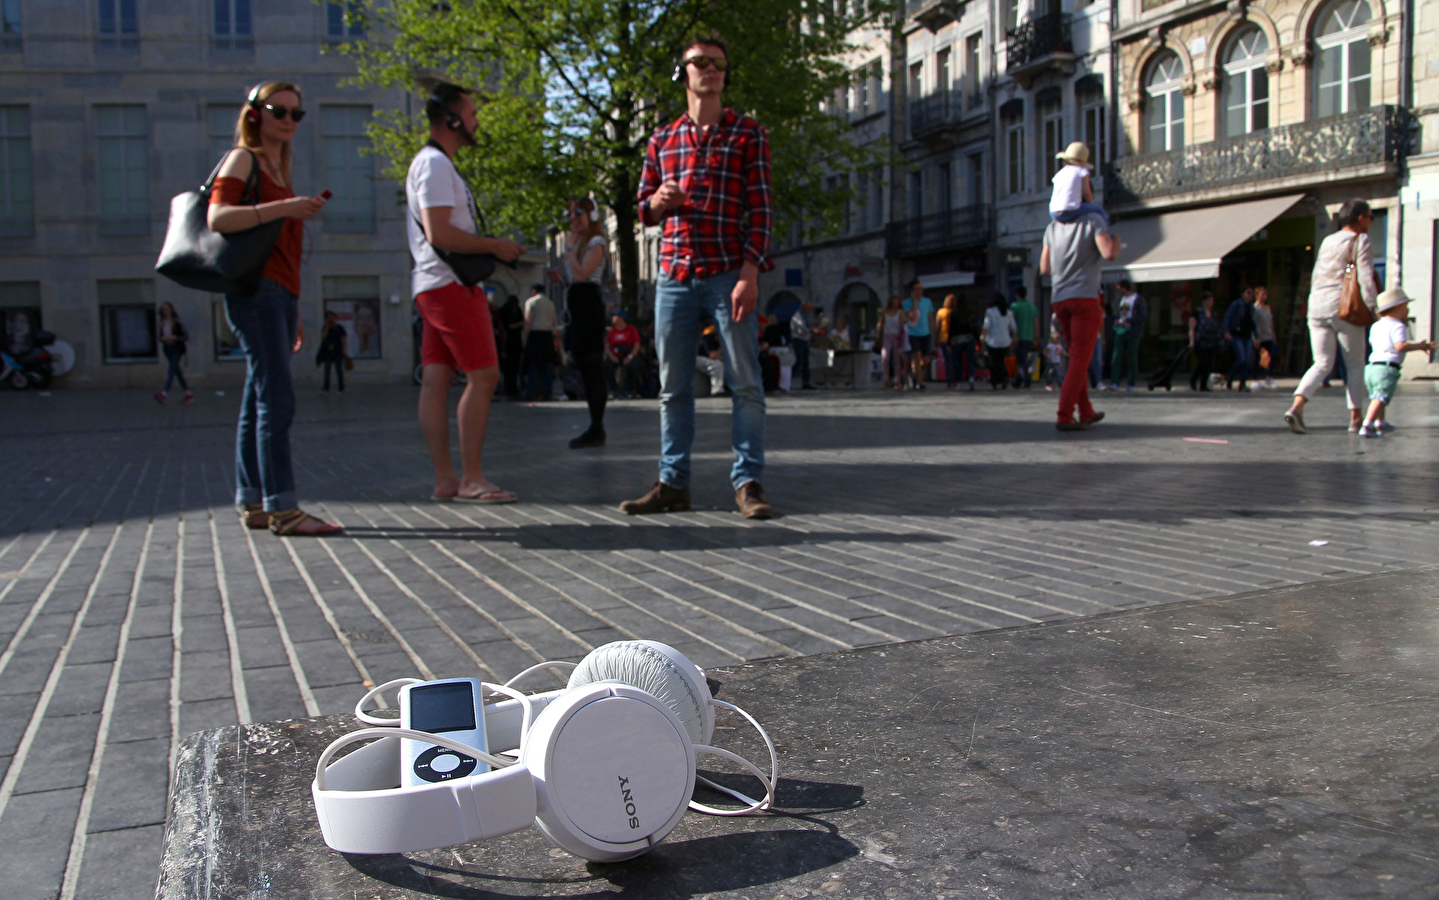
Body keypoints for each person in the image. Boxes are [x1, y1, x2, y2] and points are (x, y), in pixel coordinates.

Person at [623, 33, 775, 519]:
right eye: (700, 64)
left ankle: (748, 482)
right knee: (673, 387)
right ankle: (673, 483)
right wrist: (656, 205)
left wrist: (749, 273)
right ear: (683, 74)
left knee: (745, 381)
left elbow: (762, 210)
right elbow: (642, 210)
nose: (710, 71)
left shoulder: (748, 134)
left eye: (718, 65)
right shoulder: (661, 140)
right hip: (673, 274)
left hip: (727, 272)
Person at [207, 81, 341, 535]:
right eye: (278, 111)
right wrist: (283, 207)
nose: (288, 120)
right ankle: (283, 508)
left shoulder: (279, 169)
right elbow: (218, 217)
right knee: (275, 400)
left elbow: (282, 254)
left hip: (277, 293)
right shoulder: (243, 159)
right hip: (255, 292)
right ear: (254, 115)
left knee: (257, 396)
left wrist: (295, 309)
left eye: (296, 114)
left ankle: (253, 502)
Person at [407, 81, 525, 502]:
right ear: (452, 119)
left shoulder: (430, 164)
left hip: (431, 284)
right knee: (485, 375)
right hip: (450, 284)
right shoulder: (436, 166)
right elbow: (440, 232)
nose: (477, 123)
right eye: (472, 115)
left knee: (436, 380)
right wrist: (495, 245)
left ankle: (446, 479)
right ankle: (471, 478)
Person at [1285, 199, 1380, 434]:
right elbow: (1364, 278)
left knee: (1322, 362)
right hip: (1343, 307)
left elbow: (1322, 274)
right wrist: (1376, 309)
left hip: (1317, 306)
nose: (1371, 221)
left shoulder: (1328, 240)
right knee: (1355, 364)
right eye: (1370, 217)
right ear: (1360, 218)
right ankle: (1356, 417)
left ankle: (1297, 406)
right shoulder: (1361, 240)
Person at [1040, 195, 1119, 430]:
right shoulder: (1094, 219)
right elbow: (1109, 254)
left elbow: (1044, 268)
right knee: (1079, 358)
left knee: (1076, 357)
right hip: (1084, 297)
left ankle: (1086, 411)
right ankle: (1064, 414)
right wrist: (1115, 240)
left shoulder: (1052, 227)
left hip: (1059, 299)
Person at [561, 197, 610, 447]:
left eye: (578, 213)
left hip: (588, 303)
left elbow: (582, 274)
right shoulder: (580, 244)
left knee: (592, 366)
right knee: (583, 363)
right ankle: (594, 424)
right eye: (570, 214)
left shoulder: (596, 242)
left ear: (591, 216)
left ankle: (597, 427)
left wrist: (570, 250)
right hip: (577, 303)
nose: (573, 218)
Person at [1359, 288, 1433, 437]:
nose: (1408, 310)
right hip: (1387, 368)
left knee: (1378, 395)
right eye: (1406, 306)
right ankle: (1367, 425)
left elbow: (1372, 342)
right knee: (1380, 398)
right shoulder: (1398, 326)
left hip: (1371, 367)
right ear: (1398, 308)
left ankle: (1381, 422)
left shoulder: (1376, 325)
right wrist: (1420, 346)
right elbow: (1400, 346)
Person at [1049, 142, 1109, 226]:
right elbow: (1086, 192)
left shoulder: (1059, 174)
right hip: (1069, 210)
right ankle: (1109, 234)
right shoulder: (1082, 171)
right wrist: (1091, 204)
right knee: (1099, 211)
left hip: (1053, 211)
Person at [1107, 279, 1146, 391]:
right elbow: (1119, 313)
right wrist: (1117, 321)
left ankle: (1131, 382)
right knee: (1116, 356)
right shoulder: (1121, 299)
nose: (1118, 290)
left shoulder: (1138, 299)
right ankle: (1115, 382)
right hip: (1120, 330)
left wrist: (1128, 321)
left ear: (1124, 287)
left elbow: (1142, 316)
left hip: (1133, 331)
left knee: (1132, 357)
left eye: (1119, 288)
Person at [154, 301, 194, 405]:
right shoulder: (162, 323)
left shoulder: (177, 322)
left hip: (176, 348)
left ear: (171, 310)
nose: (165, 311)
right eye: (163, 309)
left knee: (171, 370)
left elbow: (186, 336)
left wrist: (175, 338)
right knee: (177, 372)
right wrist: (163, 339)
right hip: (167, 348)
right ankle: (188, 394)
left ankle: (164, 393)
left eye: (167, 309)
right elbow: (159, 337)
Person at [902, 279, 935, 390]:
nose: (919, 291)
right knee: (917, 356)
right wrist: (915, 302)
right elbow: (913, 316)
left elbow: (930, 317)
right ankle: (921, 382)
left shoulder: (927, 302)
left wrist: (931, 330)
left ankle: (916, 375)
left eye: (921, 288)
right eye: (917, 289)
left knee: (925, 360)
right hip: (913, 333)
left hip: (925, 333)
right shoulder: (906, 303)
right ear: (912, 291)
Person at [1223, 287, 1256, 391]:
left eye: (1252, 293)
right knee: (1241, 358)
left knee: (1247, 360)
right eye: (1248, 293)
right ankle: (1230, 377)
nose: (1250, 295)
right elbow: (1228, 317)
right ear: (1242, 294)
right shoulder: (1236, 304)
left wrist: (1257, 336)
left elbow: (1253, 323)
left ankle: (1242, 383)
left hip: (1247, 335)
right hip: (1237, 334)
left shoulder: (1251, 307)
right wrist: (1227, 331)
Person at [980, 293, 1016, 391]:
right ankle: (1003, 377)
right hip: (1005, 341)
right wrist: (1015, 339)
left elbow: (986, 326)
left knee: (994, 362)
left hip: (992, 341)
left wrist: (982, 337)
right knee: (1001, 360)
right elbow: (1013, 327)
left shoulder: (990, 311)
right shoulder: (1008, 312)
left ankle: (995, 382)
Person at [1188, 292, 1223, 391]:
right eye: (1209, 300)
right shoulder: (1197, 313)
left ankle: (1203, 385)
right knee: (1203, 362)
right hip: (1200, 342)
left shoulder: (1213, 313)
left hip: (1211, 342)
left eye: (1212, 300)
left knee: (1208, 364)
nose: (1211, 303)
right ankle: (1193, 380)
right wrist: (1192, 340)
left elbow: (1217, 326)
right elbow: (1192, 327)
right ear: (1203, 301)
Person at [605, 311, 643, 398]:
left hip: (629, 355)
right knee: (607, 366)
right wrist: (612, 357)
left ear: (621, 318)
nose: (613, 318)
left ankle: (630, 390)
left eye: (615, 316)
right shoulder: (612, 331)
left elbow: (637, 345)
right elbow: (607, 346)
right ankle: (613, 389)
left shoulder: (631, 329)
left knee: (633, 367)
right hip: (616, 356)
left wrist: (629, 357)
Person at [498, 290, 525, 397]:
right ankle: (508, 388)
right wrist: (519, 324)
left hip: (516, 341)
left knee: (515, 366)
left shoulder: (517, 310)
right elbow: (507, 326)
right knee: (508, 367)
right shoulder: (504, 310)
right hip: (507, 342)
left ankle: (513, 389)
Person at [878, 295, 907, 390]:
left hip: (897, 337)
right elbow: (880, 324)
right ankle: (886, 379)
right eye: (893, 302)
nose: (895, 304)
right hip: (887, 336)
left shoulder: (900, 312)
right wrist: (878, 334)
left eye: (897, 302)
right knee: (885, 358)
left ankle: (897, 381)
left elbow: (903, 325)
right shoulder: (885, 312)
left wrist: (901, 339)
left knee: (896, 359)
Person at [1010, 286, 1037, 388]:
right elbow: (1036, 323)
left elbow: (1012, 323)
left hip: (1019, 337)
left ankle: (1026, 380)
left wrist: (1013, 337)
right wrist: (1035, 337)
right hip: (1029, 337)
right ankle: (1017, 382)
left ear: (1017, 295)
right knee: (1023, 359)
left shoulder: (1014, 306)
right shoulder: (1032, 307)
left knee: (1021, 361)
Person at [1252, 286, 1279, 389]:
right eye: (1262, 294)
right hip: (1259, 336)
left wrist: (1273, 335)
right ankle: (1255, 379)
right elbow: (1253, 323)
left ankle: (1269, 377)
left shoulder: (1267, 308)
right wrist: (1255, 337)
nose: (1265, 297)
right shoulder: (1255, 309)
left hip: (1268, 335)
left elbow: (1270, 323)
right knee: (1256, 358)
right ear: (1257, 295)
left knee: (1273, 353)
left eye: (1265, 294)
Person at [316, 310, 347, 393]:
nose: (330, 319)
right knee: (327, 370)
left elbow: (343, 340)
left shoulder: (339, 328)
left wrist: (344, 351)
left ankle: (341, 388)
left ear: (334, 317)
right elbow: (322, 338)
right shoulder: (325, 328)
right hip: (328, 352)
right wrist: (327, 327)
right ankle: (326, 388)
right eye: (328, 318)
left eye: (331, 317)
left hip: (337, 352)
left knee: (339, 370)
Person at [790, 299, 816, 390]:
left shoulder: (805, 316)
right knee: (798, 361)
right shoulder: (797, 316)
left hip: (804, 341)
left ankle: (806, 382)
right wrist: (811, 330)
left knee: (805, 362)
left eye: (811, 308)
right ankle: (787, 379)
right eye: (808, 307)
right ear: (803, 307)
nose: (810, 309)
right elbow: (801, 329)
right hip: (798, 340)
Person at [935, 294, 958, 390]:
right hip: (955, 339)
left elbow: (938, 326)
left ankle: (950, 381)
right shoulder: (956, 312)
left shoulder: (941, 312)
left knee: (948, 360)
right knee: (955, 360)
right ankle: (956, 380)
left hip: (944, 338)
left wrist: (936, 338)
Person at [696, 322, 726, 395]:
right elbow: (713, 356)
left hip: (702, 359)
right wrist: (723, 347)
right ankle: (717, 390)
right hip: (695, 358)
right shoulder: (708, 336)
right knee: (717, 365)